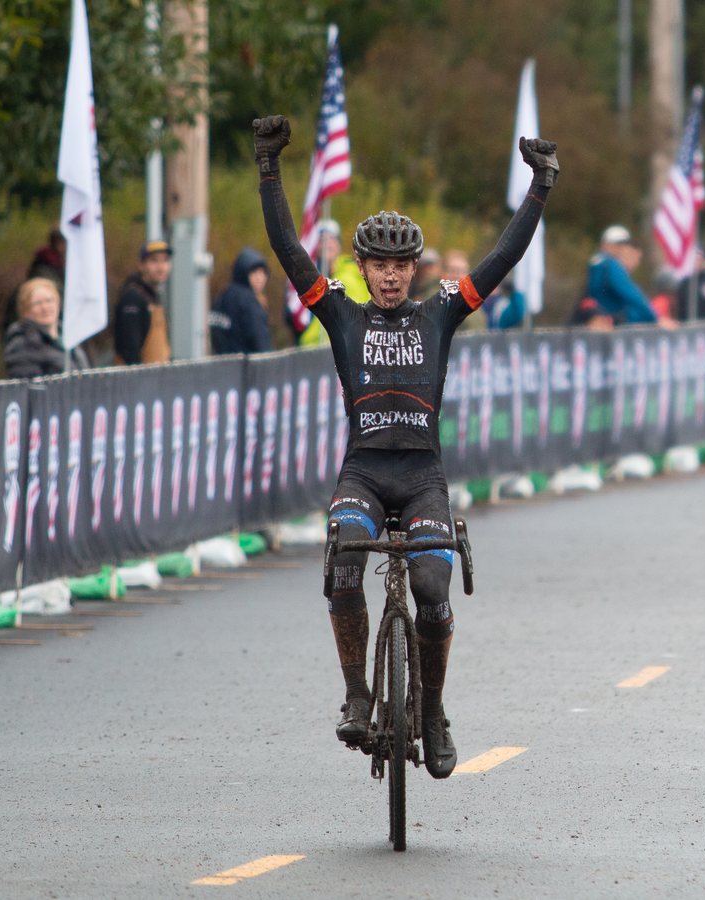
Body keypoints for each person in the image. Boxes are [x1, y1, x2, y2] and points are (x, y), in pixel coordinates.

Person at [252, 113, 558, 778]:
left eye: (400, 266)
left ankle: (432, 711)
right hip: (363, 472)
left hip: (423, 478)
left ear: (414, 270)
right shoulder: (340, 313)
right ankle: (358, 694)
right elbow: (286, 248)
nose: (389, 277)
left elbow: (501, 259)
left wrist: (539, 186)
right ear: (360, 268)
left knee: (429, 586)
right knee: (340, 567)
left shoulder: (441, 311)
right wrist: (268, 170)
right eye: (378, 266)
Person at [299, 220, 371, 346]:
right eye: (322, 240)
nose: (327, 244)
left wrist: (306, 343)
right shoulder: (320, 275)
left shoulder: (347, 277)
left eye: (331, 239)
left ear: (338, 245)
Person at [4, 278, 88, 377]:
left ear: (58, 303)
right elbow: (29, 384)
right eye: (37, 303)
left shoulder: (70, 338)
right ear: (25, 310)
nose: (45, 307)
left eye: (49, 300)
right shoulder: (21, 343)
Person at [585, 225, 659, 325]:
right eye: (620, 245)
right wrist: (655, 318)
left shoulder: (595, 263)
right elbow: (632, 296)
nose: (622, 249)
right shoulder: (609, 264)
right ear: (606, 245)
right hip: (609, 324)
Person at [114, 240, 173, 365]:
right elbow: (130, 348)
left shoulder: (152, 297)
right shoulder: (132, 299)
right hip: (139, 379)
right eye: (154, 261)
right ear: (141, 265)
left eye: (165, 260)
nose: (161, 267)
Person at [209, 248, 273, 355]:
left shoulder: (222, 296)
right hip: (247, 367)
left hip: (221, 365)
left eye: (263, 272)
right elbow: (260, 341)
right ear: (243, 272)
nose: (260, 278)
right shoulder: (249, 301)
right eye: (254, 272)